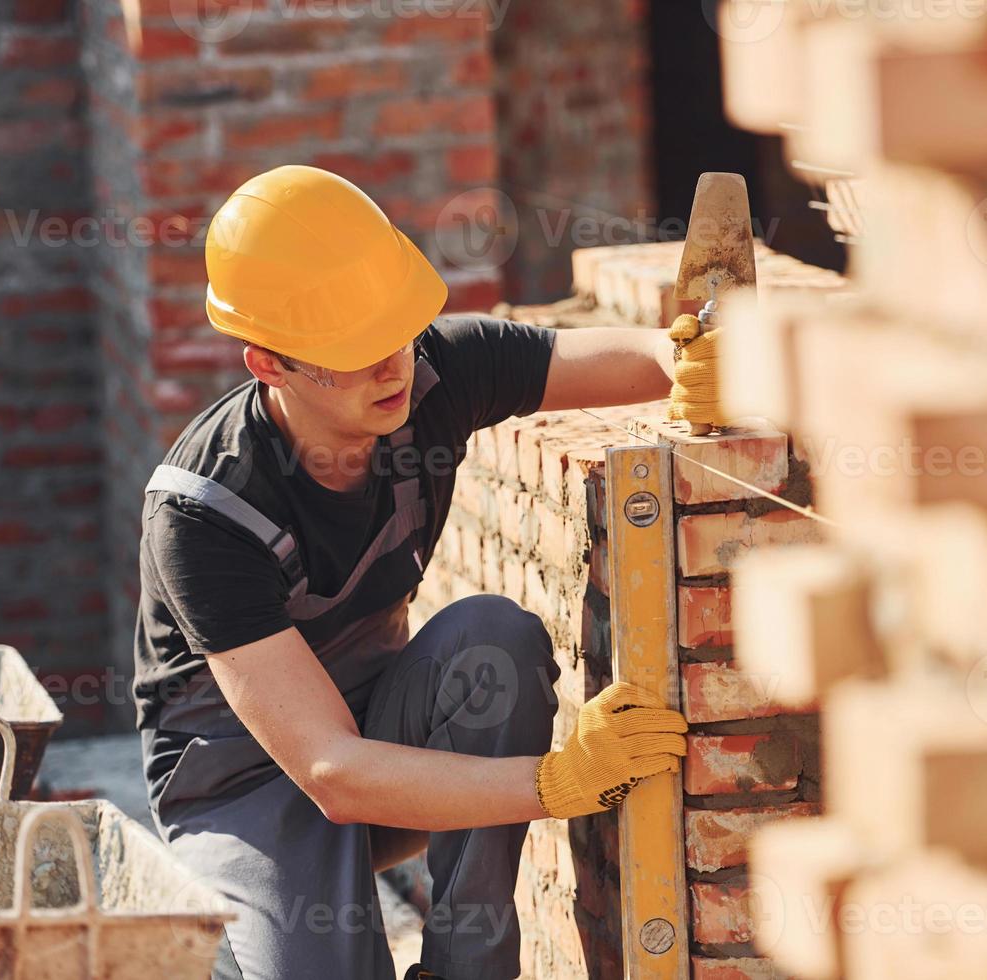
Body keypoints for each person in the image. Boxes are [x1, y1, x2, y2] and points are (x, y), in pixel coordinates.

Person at [133, 165, 696, 980]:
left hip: (383, 741)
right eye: (353, 353)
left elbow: (625, 360)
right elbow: (330, 773)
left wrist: (688, 356)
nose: (392, 367)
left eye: (393, 331)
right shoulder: (202, 515)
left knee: (491, 640)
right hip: (244, 789)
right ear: (268, 365)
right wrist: (561, 780)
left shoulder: (431, 374)